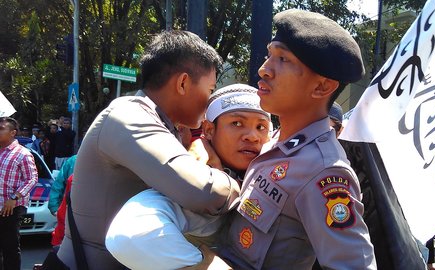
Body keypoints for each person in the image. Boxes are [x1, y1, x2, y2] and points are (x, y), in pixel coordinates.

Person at [56, 30, 240, 270]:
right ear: (183, 83)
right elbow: (201, 192)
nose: (209, 100)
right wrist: (235, 182)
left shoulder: (165, 125)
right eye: (210, 89)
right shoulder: (127, 116)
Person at [215, 9, 376, 269]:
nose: (264, 69)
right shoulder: (276, 141)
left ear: (322, 87)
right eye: (269, 55)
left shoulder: (323, 171)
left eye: (283, 59)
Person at [105, 84, 272, 269]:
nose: (252, 136)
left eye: (261, 126)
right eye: (237, 123)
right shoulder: (195, 190)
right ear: (209, 130)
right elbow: (130, 235)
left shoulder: (278, 179)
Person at [0, 117, 38, 270]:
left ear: (13, 133)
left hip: (11, 208)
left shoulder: (22, 154)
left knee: (10, 248)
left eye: (1, 128)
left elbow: (32, 178)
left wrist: (14, 198)